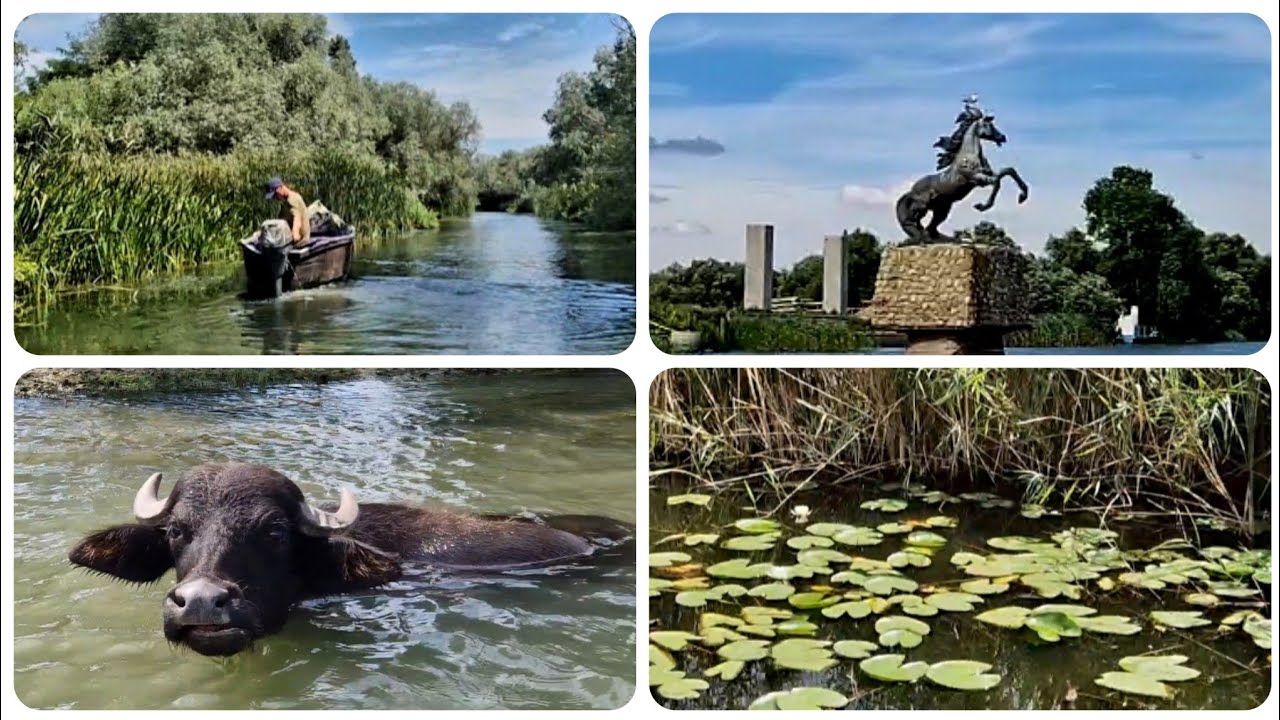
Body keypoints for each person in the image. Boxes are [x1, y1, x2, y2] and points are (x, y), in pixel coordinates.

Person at [265, 177, 310, 245]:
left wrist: (295, 233)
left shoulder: (292, 198)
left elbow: (297, 217)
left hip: (300, 240)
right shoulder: (287, 201)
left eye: (275, 195)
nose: (275, 198)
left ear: (280, 188)